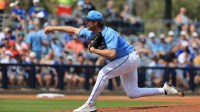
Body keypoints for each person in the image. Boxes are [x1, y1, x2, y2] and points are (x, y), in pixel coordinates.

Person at [44, 10, 184, 112]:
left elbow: (111, 53)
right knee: (132, 93)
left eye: (88, 20)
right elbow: (74, 30)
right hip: (125, 60)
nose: (86, 22)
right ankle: (165, 90)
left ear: (96, 22)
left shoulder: (109, 33)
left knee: (103, 74)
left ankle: (90, 104)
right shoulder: (90, 32)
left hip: (129, 58)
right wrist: (54, 28)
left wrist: (94, 50)